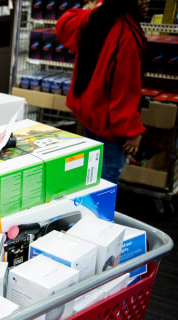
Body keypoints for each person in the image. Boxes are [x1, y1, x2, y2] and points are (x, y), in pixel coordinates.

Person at [55, 0, 149, 184]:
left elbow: (64, 24)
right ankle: (96, 211)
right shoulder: (127, 35)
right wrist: (131, 132)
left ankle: (85, 206)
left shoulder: (96, 17)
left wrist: (92, 7)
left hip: (89, 111)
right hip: (107, 121)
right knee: (110, 170)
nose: (146, 1)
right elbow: (124, 91)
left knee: (91, 168)